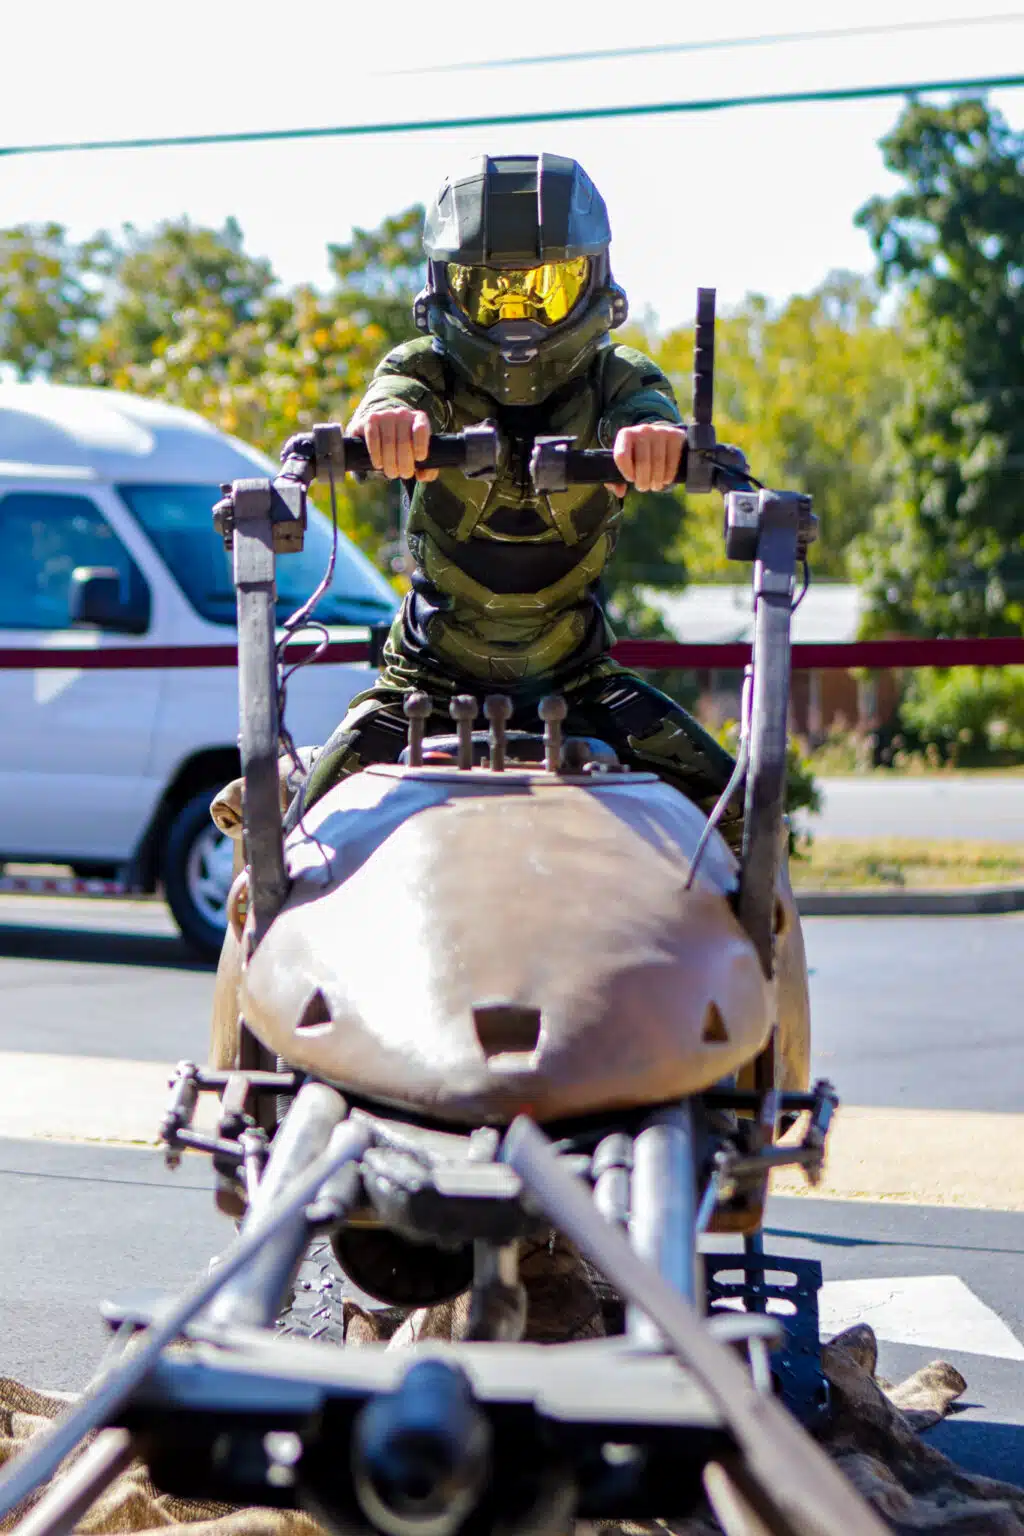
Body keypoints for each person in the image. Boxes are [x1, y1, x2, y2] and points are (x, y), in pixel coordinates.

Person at [286, 152, 744, 845]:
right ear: (442, 292)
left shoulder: (618, 377)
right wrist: (384, 424)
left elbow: (647, 412)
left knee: (739, 809)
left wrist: (652, 439)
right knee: (292, 837)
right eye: (490, 292)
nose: (517, 318)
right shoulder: (423, 367)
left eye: (546, 289)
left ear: (595, 284)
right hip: (423, 682)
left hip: (579, 683)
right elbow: (391, 396)